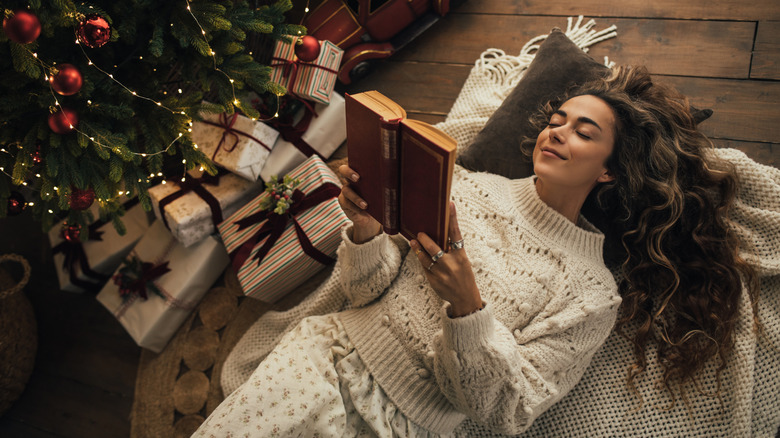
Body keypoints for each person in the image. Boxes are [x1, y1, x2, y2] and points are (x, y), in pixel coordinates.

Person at [193, 71, 627, 436]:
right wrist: (366, 229)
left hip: (401, 426)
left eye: (583, 133)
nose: (557, 132)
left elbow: (507, 413)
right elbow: (365, 293)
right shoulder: (464, 186)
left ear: (609, 170)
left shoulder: (594, 293)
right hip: (322, 359)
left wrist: (467, 307)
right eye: (556, 120)